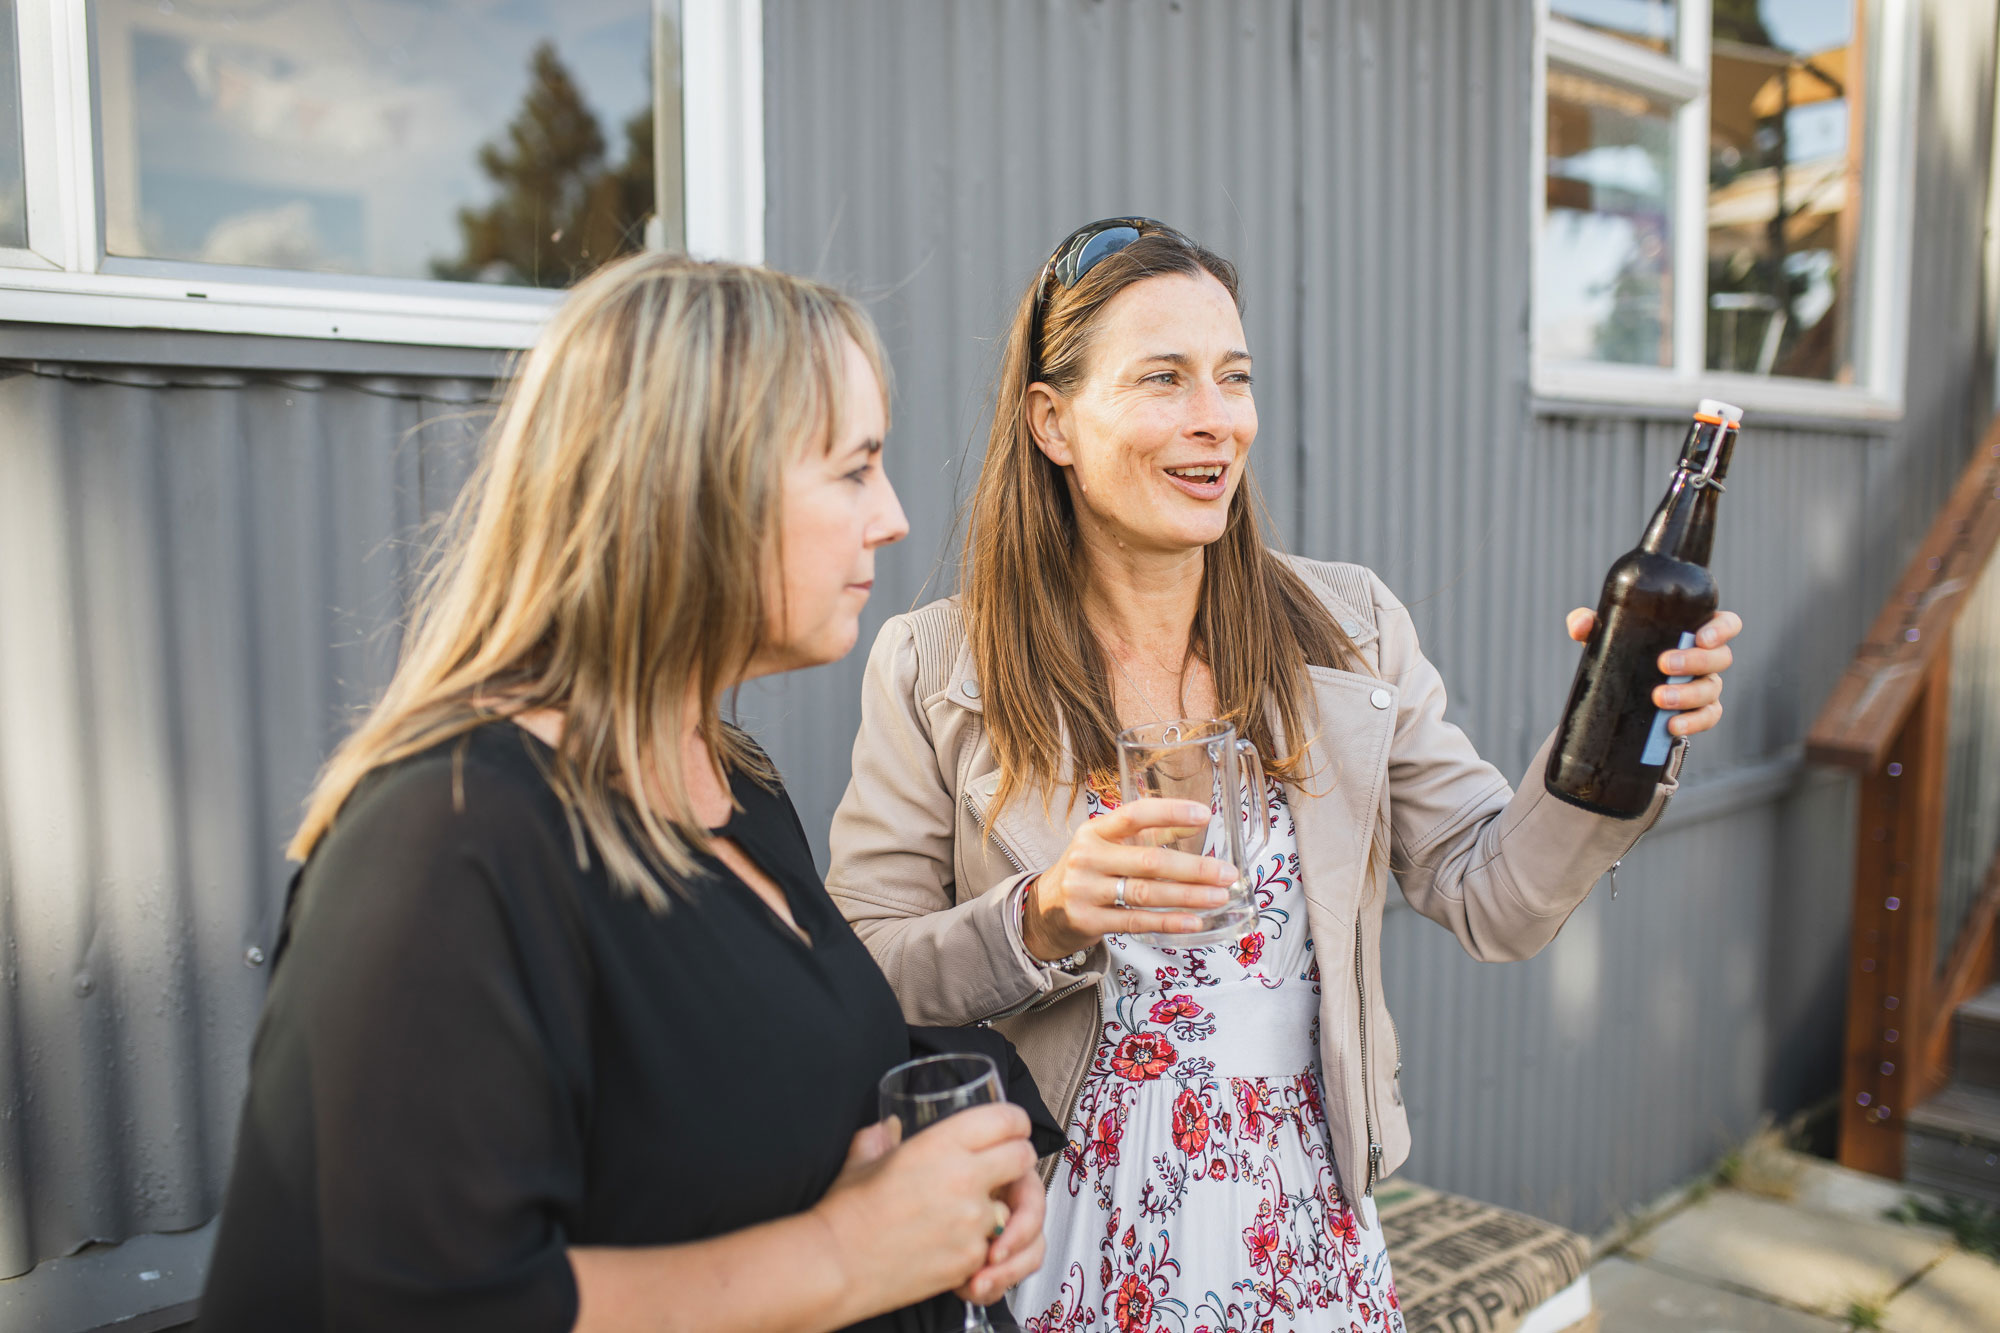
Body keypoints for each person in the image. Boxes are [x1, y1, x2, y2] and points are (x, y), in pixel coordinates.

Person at [825, 219, 1742, 1332]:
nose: (1216, 418)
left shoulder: (1345, 629)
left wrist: (1617, 743)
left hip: (1296, 1238)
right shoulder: (935, 665)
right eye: (1163, 378)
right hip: (1061, 1241)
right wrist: (1042, 916)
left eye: (1234, 377)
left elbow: (1492, 894)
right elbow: (866, 969)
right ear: (1050, 420)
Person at [197, 254, 1046, 1333]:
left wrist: (962, 1153)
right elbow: (413, 1306)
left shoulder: (728, 780)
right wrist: (846, 1254)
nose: (890, 518)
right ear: (691, 493)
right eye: (852, 468)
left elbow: (757, 1059)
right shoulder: (452, 838)